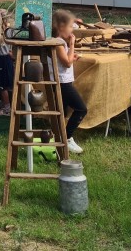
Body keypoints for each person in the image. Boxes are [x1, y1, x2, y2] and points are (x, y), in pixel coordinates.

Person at [51, 9, 88, 154]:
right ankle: (67, 138)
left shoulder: (57, 41)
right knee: (81, 109)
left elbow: (65, 60)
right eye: (70, 26)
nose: (72, 29)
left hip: (61, 80)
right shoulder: (59, 42)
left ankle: (59, 138)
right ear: (61, 27)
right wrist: (72, 45)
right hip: (62, 82)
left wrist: (72, 56)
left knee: (62, 111)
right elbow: (66, 63)